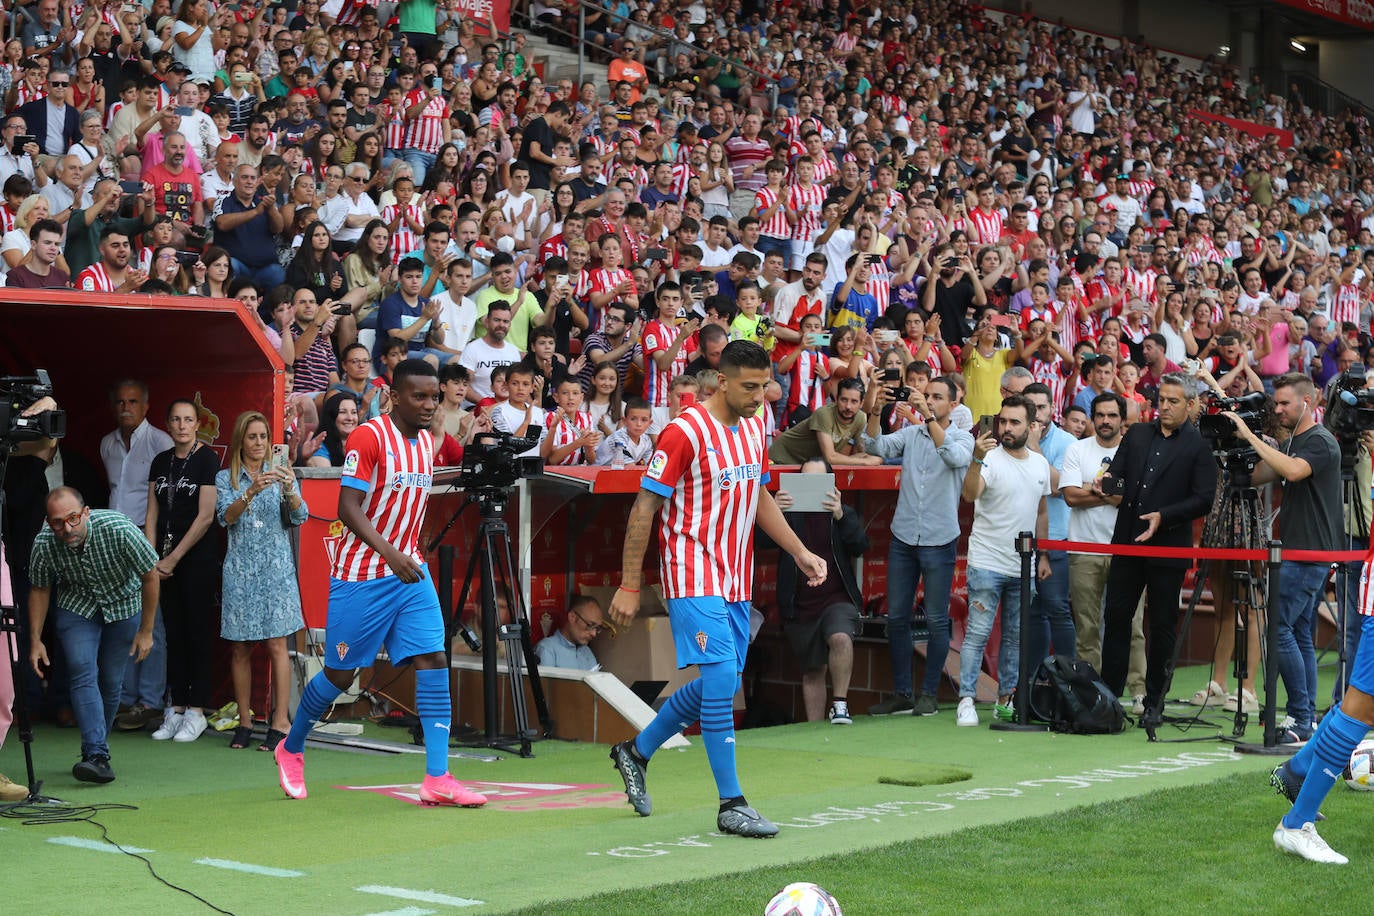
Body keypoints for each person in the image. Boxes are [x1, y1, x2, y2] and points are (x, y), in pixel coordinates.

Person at [606, 341, 827, 837]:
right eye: (748, 387)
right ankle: (732, 804)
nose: (759, 395)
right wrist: (628, 583)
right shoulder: (684, 431)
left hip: (734, 575)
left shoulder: (756, 424)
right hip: (690, 571)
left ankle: (635, 752)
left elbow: (760, 495)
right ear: (720, 381)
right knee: (724, 677)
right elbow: (644, 507)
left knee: (717, 683)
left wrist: (798, 551)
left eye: (764, 385)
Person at [275, 359, 487, 808]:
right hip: (363, 575)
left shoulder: (429, 442)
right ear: (394, 395)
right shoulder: (369, 436)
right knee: (339, 674)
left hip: (409, 572)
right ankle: (291, 747)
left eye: (434, 397)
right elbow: (347, 507)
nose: (429, 405)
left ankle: (437, 776)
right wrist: (391, 553)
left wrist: (408, 552)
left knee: (432, 657)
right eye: (420, 396)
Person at [1221, 373, 1341, 744]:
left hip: (1308, 553)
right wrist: (1230, 455)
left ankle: (1300, 719)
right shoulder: (1294, 443)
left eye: (1285, 403)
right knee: (1300, 633)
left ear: (1308, 401)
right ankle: (1304, 719)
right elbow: (1258, 476)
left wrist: (1251, 436)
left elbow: (1291, 471)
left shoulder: (1320, 441)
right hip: (1298, 550)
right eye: (1276, 403)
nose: (1278, 409)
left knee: (1281, 630)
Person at [1097, 374, 1216, 727]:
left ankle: (1155, 701)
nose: (1163, 406)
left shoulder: (1200, 445)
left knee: (1163, 625)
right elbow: (1116, 476)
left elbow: (1204, 499)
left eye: (1173, 401)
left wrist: (1164, 517)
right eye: (1161, 399)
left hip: (1169, 547)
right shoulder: (1137, 434)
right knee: (1116, 619)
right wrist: (1103, 482)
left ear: (1191, 405)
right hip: (1128, 543)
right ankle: (1108, 698)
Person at [28, 487, 159, 783]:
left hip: (123, 604)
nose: (68, 528)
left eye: (73, 518)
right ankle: (96, 754)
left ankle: (98, 747)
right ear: (50, 523)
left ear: (86, 512)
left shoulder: (119, 529)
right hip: (77, 606)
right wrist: (35, 639)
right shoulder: (44, 543)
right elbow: (39, 588)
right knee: (80, 670)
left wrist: (147, 630)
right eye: (58, 522)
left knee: (111, 682)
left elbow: (150, 574)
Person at [861, 376, 973, 716]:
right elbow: (873, 447)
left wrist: (925, 417)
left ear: (953, 405)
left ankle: (928, 695)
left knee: (937, 619)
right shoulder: (911, 435)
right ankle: (902, 693)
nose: (931, 401)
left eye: (938, 397)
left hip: (939, 539)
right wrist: (876, 412)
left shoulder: (962, 437)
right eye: (928, 396)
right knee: (897, 617)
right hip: (904, 536)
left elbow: (953, 458)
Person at [957, 394, 1052, 726]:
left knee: (1015, 636)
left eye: (1015, 422)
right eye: (1003, 422)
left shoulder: (1040, 464)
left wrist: (1043, 554)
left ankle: (1006, 699)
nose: (1007, 428)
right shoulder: (988, 458)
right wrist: (975, 459)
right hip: (986, 561)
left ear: (1032, 426)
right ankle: (966, 700)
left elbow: (1041, 511)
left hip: (1024, 566)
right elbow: (969, 495)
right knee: (978, 633)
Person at [217, 411, 308, 750]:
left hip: (276, 568)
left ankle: (280, 720)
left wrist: (289, 490)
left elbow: (301, 516)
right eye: (252, 437)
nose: (258, 444)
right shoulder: (226, 478)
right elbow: (225, 518)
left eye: (263, 437)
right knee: (240, 647)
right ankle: (244, 721)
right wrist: (250, 491)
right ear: (241, 440)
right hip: (240, 570)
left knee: (276, 645)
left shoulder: (283, 472)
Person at [1060, 392, 1145, 709]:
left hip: (1127, 550)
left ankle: (1138, 691)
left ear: (1123, 419)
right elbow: (1070, 497)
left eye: (1112, 415)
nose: (1106, 421)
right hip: (1084, 549)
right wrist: (1112, 494)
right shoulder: (1076, 449)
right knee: (1087, 627)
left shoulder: (1137, 451)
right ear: (1092, 418)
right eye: (1100, 415)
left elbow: (1134, 500)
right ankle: (1090, 693)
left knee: (1133, 626)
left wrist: (1097, 491)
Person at [142, 399, 220, 743]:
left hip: (197, 560)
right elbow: (152, 515)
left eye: (188, 419)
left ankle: (198, 710)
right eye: (176, 419)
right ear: (168, 424)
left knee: (197, 633)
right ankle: (175, 708)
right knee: (172, 634)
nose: (182, 425)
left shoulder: (206, 459)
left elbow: (206, 516)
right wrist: (151, 557)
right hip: (163, 563)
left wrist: (174, 558)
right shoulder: (160, 461)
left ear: (197, 423)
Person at [770, 458, 870, 724]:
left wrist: (840, 515)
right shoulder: (787, 512)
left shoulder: (840, 512)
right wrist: (773, 513)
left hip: (836, 597)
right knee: (813, 669)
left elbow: (860, 546)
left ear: (830, 484)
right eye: (805, 480)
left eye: (818, 480)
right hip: (800, 602)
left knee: (840, 638)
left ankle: (840, 705)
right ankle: (814, 729)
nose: (811, 486)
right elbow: (759, 543)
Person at [101, 379, 172, 733]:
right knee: (121, 620)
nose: (125, 407)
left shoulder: (161, 442)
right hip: (113, 543)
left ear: (145, 406)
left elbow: (166, 500)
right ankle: (125, 699)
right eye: (119, 402)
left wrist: (158, 547)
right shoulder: (106, 445)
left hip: (145, 543)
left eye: (132, 402)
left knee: (151, 621)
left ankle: (150, 701)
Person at [768, 378, 881, 467]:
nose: (848, 406)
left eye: (854, 401)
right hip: (781, 459)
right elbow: (830, 457)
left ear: (861, 404)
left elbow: (859, 453)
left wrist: (866, 458)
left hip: (808, 465)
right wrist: (865, 462)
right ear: (836, 400)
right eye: (844, 400)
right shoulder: (824, 414)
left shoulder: (860, 418)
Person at [533, 595, 603, 671]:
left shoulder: (587, 652)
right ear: (572, 617)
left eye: (597, 628)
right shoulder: (547, 649)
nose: (594, 633)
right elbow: (544, 683)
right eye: (590, 625)